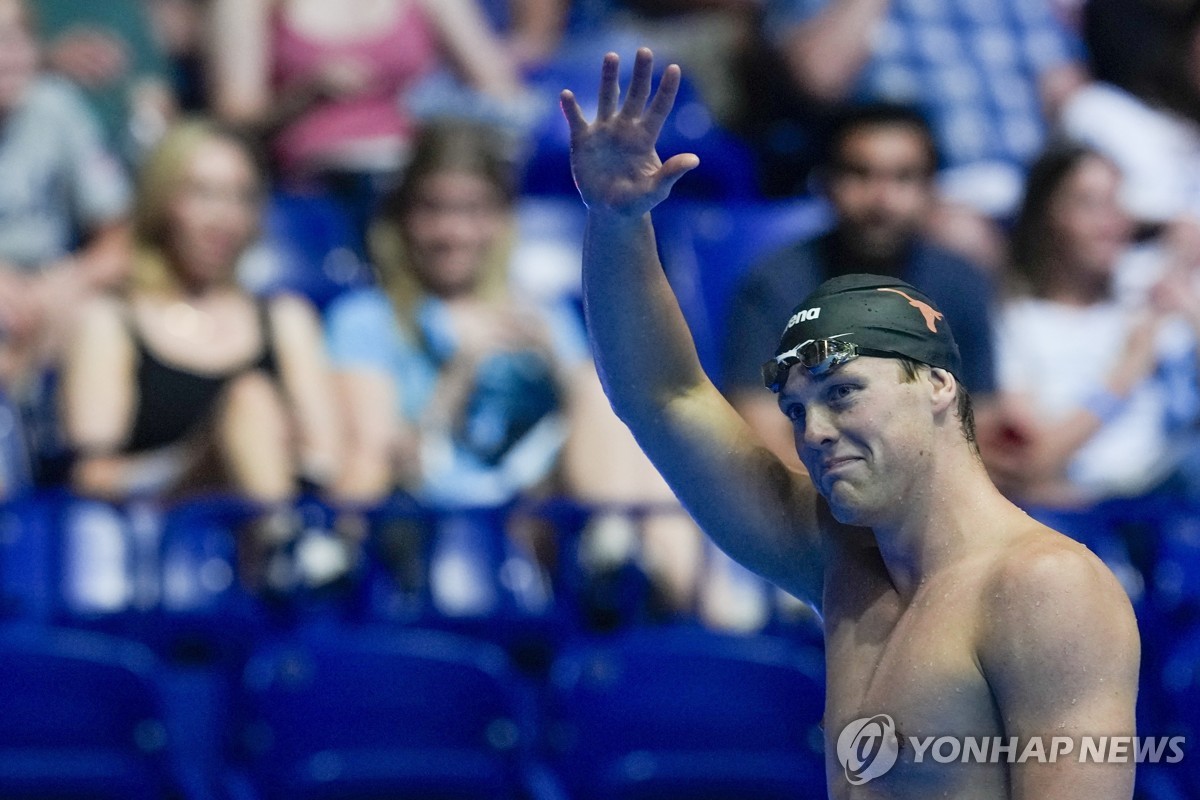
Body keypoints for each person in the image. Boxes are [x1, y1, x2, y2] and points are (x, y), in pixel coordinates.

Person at [561, 48, 1138, 795]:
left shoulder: (1044, 587)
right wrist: (616, 222)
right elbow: (663, 395)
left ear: (936, 385)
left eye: (842, 393)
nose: (813, 431)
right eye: (797, 410)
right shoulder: (842, 566)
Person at [59, 118, 342, 590]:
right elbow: (93, 475)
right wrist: (205, 457)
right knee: (245, 400)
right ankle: (286, 550)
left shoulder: (286, 319)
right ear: (163, 201)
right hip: (160, 548)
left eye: (239, 197)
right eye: (203, 194)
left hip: (266, 538)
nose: (223, 218)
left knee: (253, 401)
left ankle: (285, 552)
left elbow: (323, 461)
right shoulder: (111, 320)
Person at [326, 121, 584, 614]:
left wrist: (556, 365)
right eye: (432, 209)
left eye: (472, 210)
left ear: (501, 219)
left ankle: (706, 615)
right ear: (401, 217)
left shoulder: (545, 318)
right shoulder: (364, 319)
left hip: (545, 520)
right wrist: (458, 374)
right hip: (417, 529)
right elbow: (381, 463)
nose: (452, 233)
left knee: (597, 392)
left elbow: (604, 437)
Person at [722, 101, 997, 470]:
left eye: (903, 177)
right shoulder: (773, 285)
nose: (881, 199)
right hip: (815, 499)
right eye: (860, 174)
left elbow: (982, 422)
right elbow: (759, 432)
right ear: (826, 182)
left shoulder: (960, 281)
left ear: (931, 189)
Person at [988, 142, 1200, 509]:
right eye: (1090, 204)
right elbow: (1033, 462)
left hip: (1174, 494)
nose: (1112, 222)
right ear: (1047, 216)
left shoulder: (1150, 295)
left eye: (1118, 202)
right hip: (1088, 509)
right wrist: (1126, 373)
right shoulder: (1018, 322)